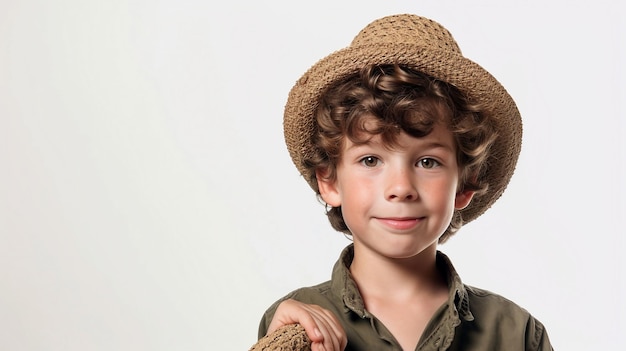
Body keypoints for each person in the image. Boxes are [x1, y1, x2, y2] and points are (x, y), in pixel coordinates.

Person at [257, 14, 553, 351]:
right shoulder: (297, 325)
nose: (401, 187)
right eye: (370, 160)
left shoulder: (516, 334)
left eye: (428, 162)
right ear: (330, 180)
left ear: (465, 184)